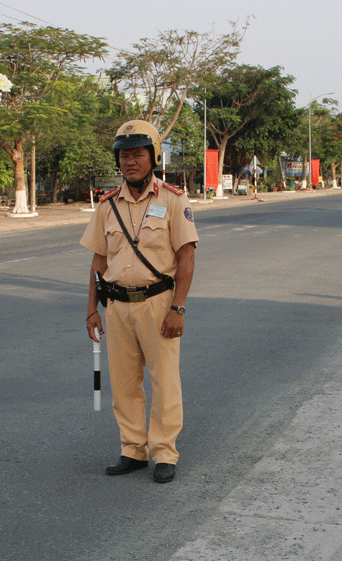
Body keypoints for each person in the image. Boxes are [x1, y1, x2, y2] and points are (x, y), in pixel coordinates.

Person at [81, 119, 198, 484]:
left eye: (138, 154)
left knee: (164, 381)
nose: (130, 162)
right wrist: (91, 310)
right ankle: (132, 449)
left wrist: (178, 308)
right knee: (124, 382)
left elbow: (187, 256)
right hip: (117, 307)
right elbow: (98, 262)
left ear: (153, 156)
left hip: (158, 304)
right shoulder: (106, 206)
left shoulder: (174, 200)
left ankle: (164, 452)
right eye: (124, 155)